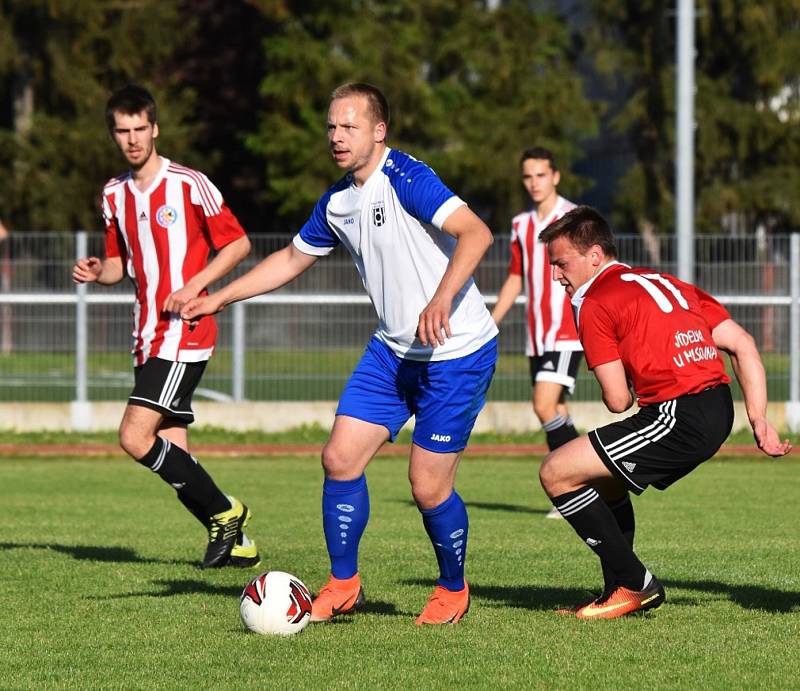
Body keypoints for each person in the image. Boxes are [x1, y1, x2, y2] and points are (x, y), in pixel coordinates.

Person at [182, 82, 498, 625]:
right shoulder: (337, 201)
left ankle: (452, 588)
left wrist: (442, 298)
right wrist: (220, 297)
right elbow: (289, 258)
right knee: (339, 458)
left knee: (427, 486)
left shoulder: (407, 179)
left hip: (457, 351)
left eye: (348, 126)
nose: (336, 136)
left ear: (379, 131)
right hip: (393, 351)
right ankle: (344, 584)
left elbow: (477, 233)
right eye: (331, 126)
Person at [537, 205, 792, 619]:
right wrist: (758, 418)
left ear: (595, 256)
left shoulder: (594, 300)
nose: (555, 275)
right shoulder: (666, 282)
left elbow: (618, 401)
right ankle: (616, 590)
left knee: (556, 472)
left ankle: (636, 584)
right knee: (605, 481)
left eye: (561, 263)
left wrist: (612, 364)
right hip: (718, 407)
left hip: (678, 414)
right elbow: (742, 344)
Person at [72, 85, 259, 569]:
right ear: (113, 135)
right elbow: (120, 265)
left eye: (140, 129)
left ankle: (227, 511)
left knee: (134, 437)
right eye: (122, 131)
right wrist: (98, 272)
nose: (132, 139)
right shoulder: (113, 194)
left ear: (154, 129)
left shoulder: (188, 184)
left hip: (185, 331)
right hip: (146, 336)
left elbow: (238, 245)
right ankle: (236, 542)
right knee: (173, 451)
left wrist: (194, 286)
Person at [491, 148, 581, 518]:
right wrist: (491, 320)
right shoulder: (521, 225)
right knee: (557, 409)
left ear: (555, 176)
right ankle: (584, 485)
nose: (534, 183)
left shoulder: (573, 219)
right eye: (528, 176)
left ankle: (576, 486)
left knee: (543, 405)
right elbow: (516, 276)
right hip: (537, 333)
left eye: (541, 175)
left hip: (567, 330)